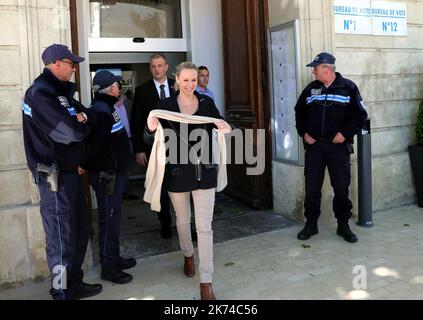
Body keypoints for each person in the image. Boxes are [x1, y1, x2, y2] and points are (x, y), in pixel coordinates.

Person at [22, 43, 103, 300]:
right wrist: (79, 124)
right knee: (60, 238)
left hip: (71, 174)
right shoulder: (39, 94)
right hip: (53, 178)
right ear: (57, 63)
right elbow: (69, 132)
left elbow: (88, 117)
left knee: (78, 232)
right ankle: (60, 291)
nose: (74, 69)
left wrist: (83, 120)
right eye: (71, 64)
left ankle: (74, 283)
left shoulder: (62, 93)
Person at [146, 62, 232, 300]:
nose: (190, 85)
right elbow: (150, 132)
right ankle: (187, 253)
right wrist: (150, 126)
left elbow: (222, 125)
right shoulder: (165, 105)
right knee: (183, 222)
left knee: (205, 227)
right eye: (185, 80)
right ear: (177, 79)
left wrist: (224, 127)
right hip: (177, 174)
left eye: (193, 80)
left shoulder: (206, 103)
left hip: (205, 172)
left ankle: (206, 282)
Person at [294, 52, 368, 243]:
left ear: (327, 68)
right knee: (312, 188)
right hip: (315, 148)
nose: (313, 72)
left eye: (315, 68)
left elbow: (360, 115)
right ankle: (311, 224)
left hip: (338, 148)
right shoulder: (311, 89)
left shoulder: (348, 87)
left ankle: (343, 225)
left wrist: (345, 134)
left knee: (341, 188)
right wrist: (304, 133)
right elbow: (299, 112)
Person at [82, 70, 136, 284]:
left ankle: (114, 257)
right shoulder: (101, 110)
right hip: (107, 176)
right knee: (109, 220)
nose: (119, 87)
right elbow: (96, 146)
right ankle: (109, 267)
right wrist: (87, 165)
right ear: (110, 88)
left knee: (113, 219)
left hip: (114, 174)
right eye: (116, 84)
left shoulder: (108, 107)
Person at [131, 53, 175, 239]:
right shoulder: (142, 90)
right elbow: (136, 121)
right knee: (161, 187)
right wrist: (139, 149)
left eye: (159, 65)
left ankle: (186, 224)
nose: (156, 69)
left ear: (166, 67)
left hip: (178, 147)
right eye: (153, 66)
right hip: (153, 148)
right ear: (150, 68)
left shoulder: (179, 85)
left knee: (182, 185)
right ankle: (165, 224)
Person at [114, 83, 138, 200]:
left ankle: (125, 192)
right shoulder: (108, 105)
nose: (117, 90)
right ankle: (117, 192)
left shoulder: (127, 103)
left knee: (127, 166)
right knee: (116, 166)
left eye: (118, 88)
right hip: (115, 140)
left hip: (128, 139)